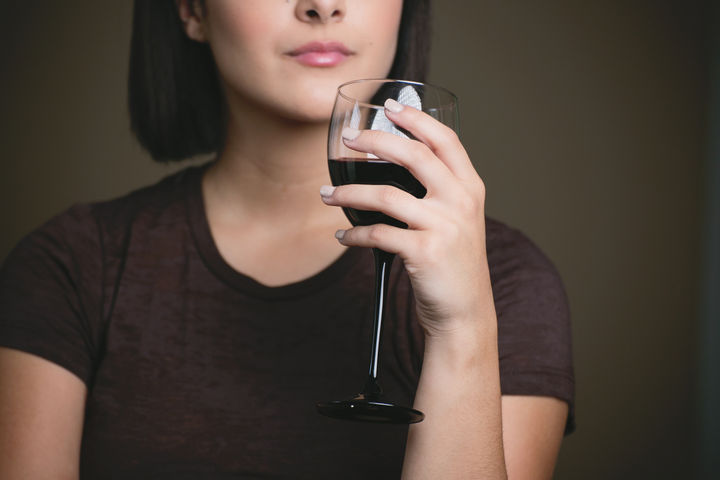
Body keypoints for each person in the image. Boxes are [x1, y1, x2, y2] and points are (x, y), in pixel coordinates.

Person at [0, 0, 574, 478]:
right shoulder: (68, 265)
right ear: (191, 10)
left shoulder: (507, 279)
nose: (323, 5)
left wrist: (461, 331)